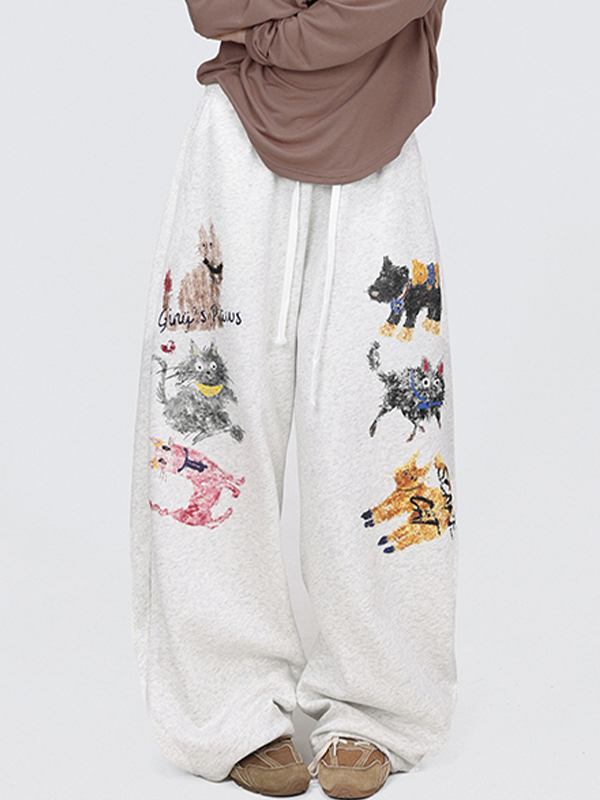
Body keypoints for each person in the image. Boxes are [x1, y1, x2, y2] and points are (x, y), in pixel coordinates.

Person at [129, 1, 457, 797]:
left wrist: (274, 29)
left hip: (378, 155)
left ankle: (376, 704)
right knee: (207, 432)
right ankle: (226, 702)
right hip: (235, 145)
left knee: (386, 442)